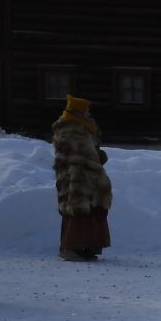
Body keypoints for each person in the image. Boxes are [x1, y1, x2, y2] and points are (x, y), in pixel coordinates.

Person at [52, 96, 113, 261]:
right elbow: (82, 155)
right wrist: (96, 159)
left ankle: (85, 246)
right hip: (77, 176)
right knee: (77, 210)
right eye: (85, 110)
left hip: (82, 175)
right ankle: (71, 247)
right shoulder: (73, 129)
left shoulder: (80, 127)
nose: (87, 113)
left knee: (88, 211)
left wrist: (98, 156)